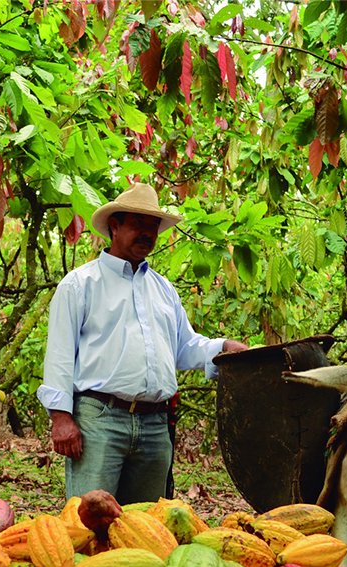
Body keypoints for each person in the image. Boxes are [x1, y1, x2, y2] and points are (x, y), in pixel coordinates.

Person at [38, 183, 248, 505]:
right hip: (100, 419)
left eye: (153, 226)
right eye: (138, 223)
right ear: (115, 226)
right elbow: (60, 356)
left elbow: (184, 347)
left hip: (154, 425)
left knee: (146, 530)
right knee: (89, 523)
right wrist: (61, 419)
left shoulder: (163, 289)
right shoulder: (80, 284)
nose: (147, 233)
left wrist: (222, 349)